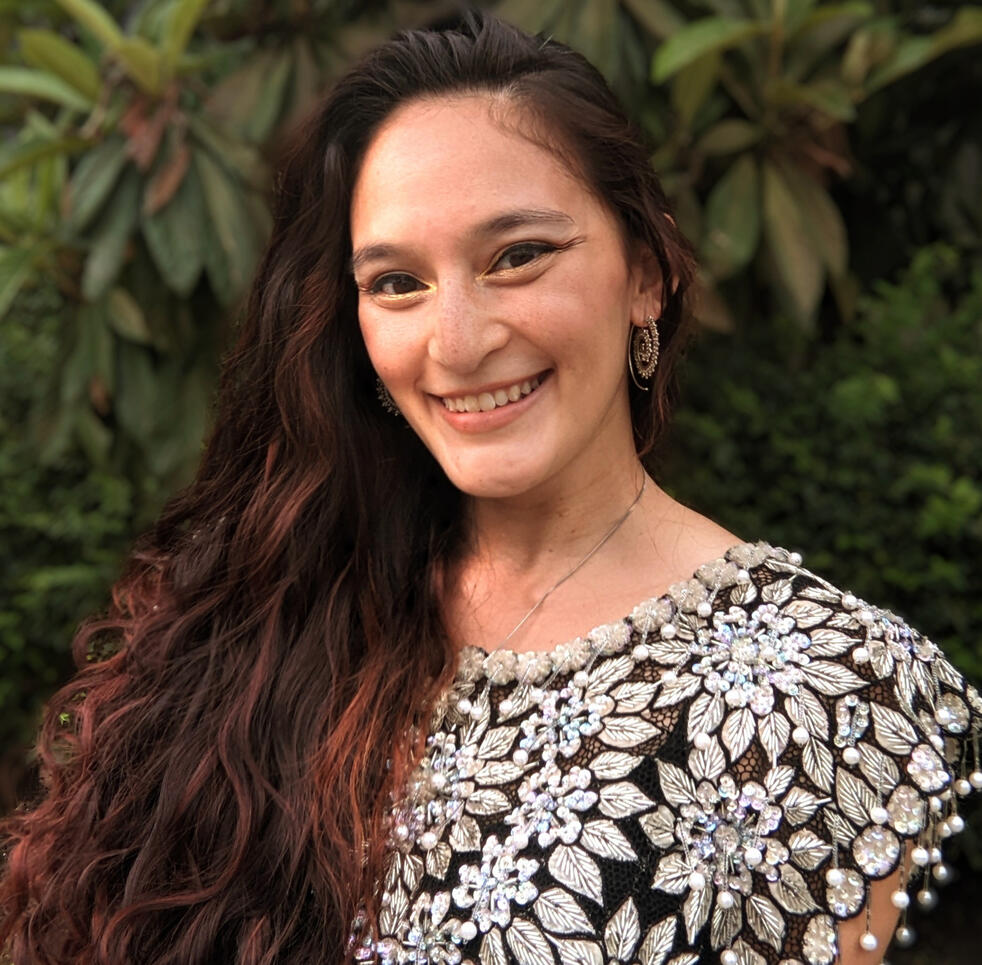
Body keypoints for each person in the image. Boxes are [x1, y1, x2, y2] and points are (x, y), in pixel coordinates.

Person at [1, 9, 979, 965]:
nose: (457, 342)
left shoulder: (834, 689)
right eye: (396, 283)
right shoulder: (271, 602)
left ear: (646, 271)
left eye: (516, 256)